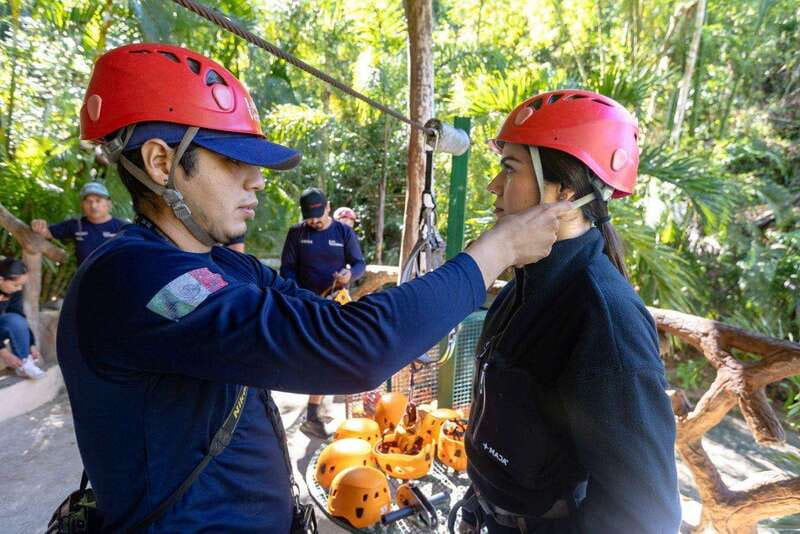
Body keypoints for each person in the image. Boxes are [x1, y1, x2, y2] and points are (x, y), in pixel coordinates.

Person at [59, 43, 570, 532]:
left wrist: (394, 306)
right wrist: (497, 251)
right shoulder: (131, 280)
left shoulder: (220, 266)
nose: (257, 181)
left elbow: (335, 323)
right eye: (233, 160)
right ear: (161, 163)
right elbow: (349, 349)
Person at [453, 90, 681, 533]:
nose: (493, 186)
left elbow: (645, 515)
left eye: (509, 168)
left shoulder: (603, 320)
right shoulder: (524, 287)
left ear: (566, 190)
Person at [280, 188, 366, 437]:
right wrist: (298, 295)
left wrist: (350, 274)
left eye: (318, 216)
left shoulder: (343, 232)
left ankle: (316, 414)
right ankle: (312, 413)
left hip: (335, 303)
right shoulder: (297, 233)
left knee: (331, 354)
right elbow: (287, 270)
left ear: (328, 207)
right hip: (305, 304)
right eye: (310, 218)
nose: (315, 222)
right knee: (317, 355)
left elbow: (359, 263)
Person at [31, 181, 126, 265]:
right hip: (85, 280)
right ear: (82, 205)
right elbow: (47, 233)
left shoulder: (123, 227)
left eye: (98, 201)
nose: (93, 206)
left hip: (115, 280)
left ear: (108, 203)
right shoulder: (76, 225)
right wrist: (39, 226)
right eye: (88, 201)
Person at [0, 258, 45, 379]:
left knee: (15, 320)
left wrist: (31, 344)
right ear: (1, 279)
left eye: (21, 285)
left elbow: (18, 314)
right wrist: (3, 352)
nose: (19, 289)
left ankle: (25, 364)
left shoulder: (13, 290)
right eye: (16, 284)